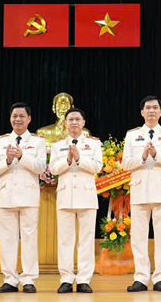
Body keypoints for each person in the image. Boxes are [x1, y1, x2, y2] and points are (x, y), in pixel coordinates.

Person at [122, 96, 161, 293]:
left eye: (155, 108)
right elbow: (126, 164)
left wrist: (156, 155)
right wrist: (143, 156)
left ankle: (160, 278)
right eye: (148, 108)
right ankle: (140, 278)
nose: (152, 111)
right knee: (138, 238)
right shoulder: (132, 135)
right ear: (142, 112)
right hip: (139, 191)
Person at [0, 102, 47, 293]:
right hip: (6, 196)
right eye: (14, 116)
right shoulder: (1, 141)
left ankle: (28, 279)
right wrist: (7, 161)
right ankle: (10, 280)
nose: (18, 119)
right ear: (10, 119)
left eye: (22, 116)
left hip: (29, 196)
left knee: (29, 239)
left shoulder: (38, 141)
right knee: (7, 240)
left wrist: (22, 156)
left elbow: (41, 167)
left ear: (29, 119)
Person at [49, 107, 103, 293]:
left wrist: (79, 159)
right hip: (65, 197)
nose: (74, 122)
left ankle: (83, 280)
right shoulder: (57, 145)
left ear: (83, 123)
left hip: (87, 197)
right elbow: (53, 169)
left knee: (86, 240)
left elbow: (97, 167)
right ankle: (66, 279)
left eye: (77, 119)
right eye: (70, 119)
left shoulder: (93, 144)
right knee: (65, 241)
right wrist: (67, 160)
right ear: (65, 123)